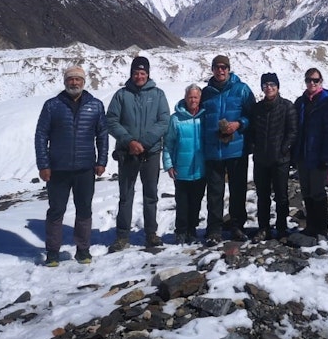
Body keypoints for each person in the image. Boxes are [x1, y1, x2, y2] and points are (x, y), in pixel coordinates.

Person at [35, 66, 108, 267]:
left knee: (84, 209)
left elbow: (102, 135)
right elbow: (41, 135)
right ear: (65, 81)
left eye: (78, 79)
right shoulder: (52, 106)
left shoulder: (95, 105)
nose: (74, 83)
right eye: (70, 79)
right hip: (58, 168)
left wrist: (102, 161)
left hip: (85, 167)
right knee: (56, 210)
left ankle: (83, 250)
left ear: (84, 82)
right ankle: (52, 252)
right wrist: (43, 164)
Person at [107, 56, 170, 251]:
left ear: (148, 74)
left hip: (150, 153)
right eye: (136, 73)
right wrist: (129, 141)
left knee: (150, 194)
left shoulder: (158, 95)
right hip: (128, 153)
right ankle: (122, 235)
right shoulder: (121, 95)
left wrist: (144, 142)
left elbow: (164, 121)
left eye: (143, 73)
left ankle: (151, 233)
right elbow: (111, 121)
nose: (139, 76)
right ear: (131, 74)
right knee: (126, 194)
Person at [201, 54, 255, 245]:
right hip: (213, 150)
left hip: (236, 149)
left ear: (229, 69)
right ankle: (214, 229)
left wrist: (239, 123)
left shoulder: (242, 90)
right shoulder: (206, 93)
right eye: (217, 67)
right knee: (215, 192)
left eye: (224, 67)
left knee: (238, 189)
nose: (220, 70)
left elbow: (252, 115)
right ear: (212, 69)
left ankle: (237, 226)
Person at [249, 73, 297, 242]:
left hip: (280, 160)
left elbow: (292, 131)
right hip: (261, 159)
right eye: (265, 85)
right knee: (262, 195)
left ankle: (282, 228)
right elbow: (252, 131)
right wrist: (254, 147)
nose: (268, 87)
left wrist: (284, 148)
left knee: (281, 195)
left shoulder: (287, 106)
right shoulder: (257, 108)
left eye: (272, 84)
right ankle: (264, 228)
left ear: (277, 86)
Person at [291, 67, 328, 238]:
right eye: (309, 80)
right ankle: (311, 225)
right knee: (306, 191)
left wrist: (326, 156)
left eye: (315, 80)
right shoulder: (301, 102)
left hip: (319, 156)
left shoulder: (327, 102)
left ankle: (322, 226)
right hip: (303, 154)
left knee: (318, 191)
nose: (312, 83)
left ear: (321, 82)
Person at [163, 84, 206, 245]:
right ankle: (181, 230)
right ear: (185, 98)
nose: (192, 100)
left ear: (200, 98)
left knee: (196, 202)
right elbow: (168, 143)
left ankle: (192, 230)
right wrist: (169, 165)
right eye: (190, 97)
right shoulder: (176, 119)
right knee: (182, 202)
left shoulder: (205, 117)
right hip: (181, 168)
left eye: (195, 97)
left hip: (200, 168)